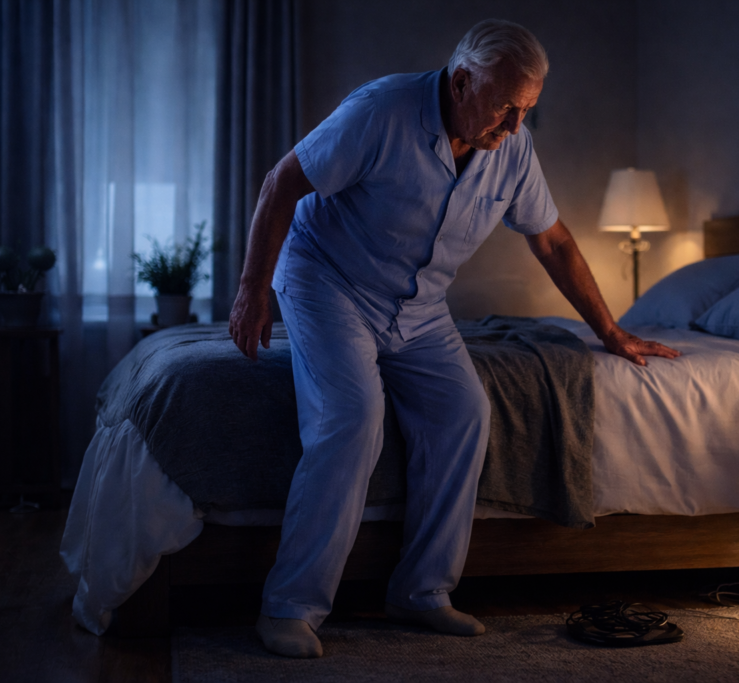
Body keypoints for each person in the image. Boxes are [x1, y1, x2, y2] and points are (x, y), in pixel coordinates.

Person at [228, 18, 679, 658]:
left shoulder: (510, 147)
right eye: (507, 108)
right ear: (461, 81)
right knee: (353, 417)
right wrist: (251, 289)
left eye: (528, 111)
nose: (517, 127)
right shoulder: (379, 111)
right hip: (328, 280)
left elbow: (551, 240)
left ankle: (420, 594)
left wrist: (608, 331)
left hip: (420, 306)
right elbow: (282, 183)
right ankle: (289, 606)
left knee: (464, 411)